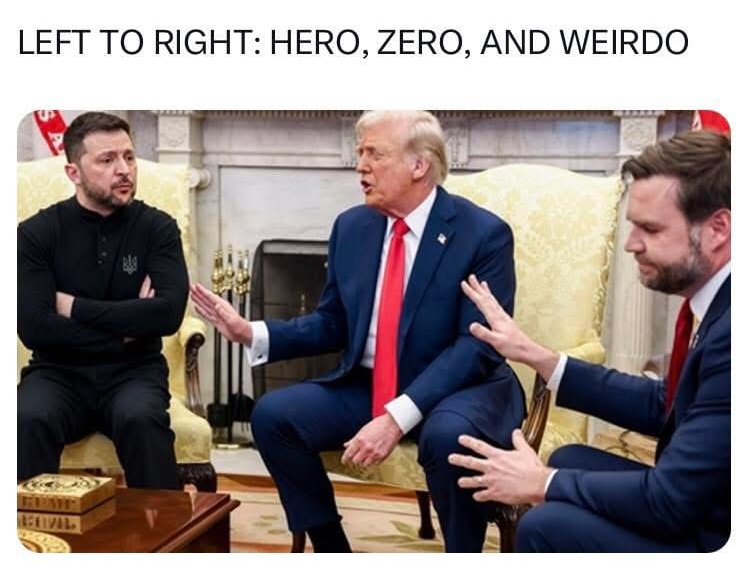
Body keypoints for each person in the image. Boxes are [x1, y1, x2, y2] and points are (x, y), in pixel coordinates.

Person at [191, 110, 525, 552]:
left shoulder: (482, 234)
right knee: (273, 416)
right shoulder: (353, 226)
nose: (360, 166)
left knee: (449, 439)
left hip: (460, 390)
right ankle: (333, 550)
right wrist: (253, 333)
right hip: (372, 383)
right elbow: (334, 322)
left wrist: (396, 417)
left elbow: (475, 347)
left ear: (419, 165)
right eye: (359, 152)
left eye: (374, 154)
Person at [449, 129, 730, 552]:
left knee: (545, 524)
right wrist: (537, 356)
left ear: (717, 229)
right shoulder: (717, 303)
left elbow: (670, 500)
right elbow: (668, 405)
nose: (631, 244)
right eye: (632, 225)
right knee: (569, 458)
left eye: (650, 229)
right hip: (704, 500)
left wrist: (542, 483)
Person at [17, 112, 189, 489]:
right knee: (27, 418)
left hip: (134, 371)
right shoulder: (35, 234)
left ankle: (163, 527)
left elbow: (166, 315)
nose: (124, 170)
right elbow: (35, 327)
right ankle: (28, 524)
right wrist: (127, 328)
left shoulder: (158, 228)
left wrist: (73, 308)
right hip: (57, 372)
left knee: (142, 419)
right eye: (107, 160)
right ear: (74, 173)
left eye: (129, 157)